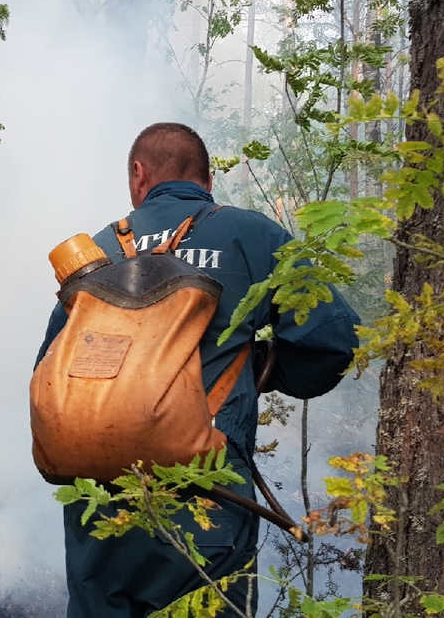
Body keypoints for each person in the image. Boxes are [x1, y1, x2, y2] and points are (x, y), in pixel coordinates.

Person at [34, 122, 361, 617]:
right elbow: (332, 338)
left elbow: (50, 370)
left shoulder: (97, 254)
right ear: (207, 181)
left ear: (139, 175)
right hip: (204, 494)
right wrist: (265, 375)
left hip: (99, 505)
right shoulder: (249, 233)